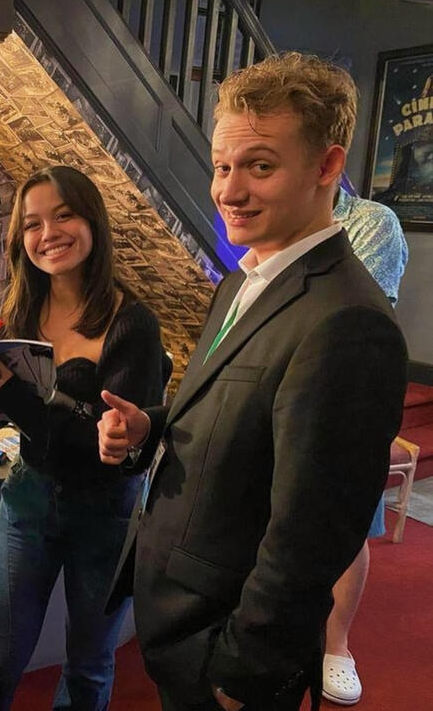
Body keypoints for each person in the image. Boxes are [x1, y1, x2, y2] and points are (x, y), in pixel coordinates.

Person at [98, 52, 409, 711]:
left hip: (228, 650)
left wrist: (242, 676)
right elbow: (225, 412)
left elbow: (314, 533)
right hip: (179, 615)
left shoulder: (349, 321)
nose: (228, 191)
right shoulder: (242, 281)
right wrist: (149, 425)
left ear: (327, 166)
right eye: (222, 166)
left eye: (259, 166)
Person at [0, 165, 168, 711]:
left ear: (92, 219)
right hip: (28, 499)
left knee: (88, 668)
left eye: (63, 215)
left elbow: (116, 458)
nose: (47, 233)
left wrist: (14, 397)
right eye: (32, 224)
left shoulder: (133, 323)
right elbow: (16, 423)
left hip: (106, 514)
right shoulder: (21, 308)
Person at [323, 185, 408, 706]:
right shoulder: (270, 223)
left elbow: (353, 327)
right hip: (279, 399)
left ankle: (336, 644)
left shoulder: (371, 223)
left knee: (347, 528)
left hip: (348, 405)